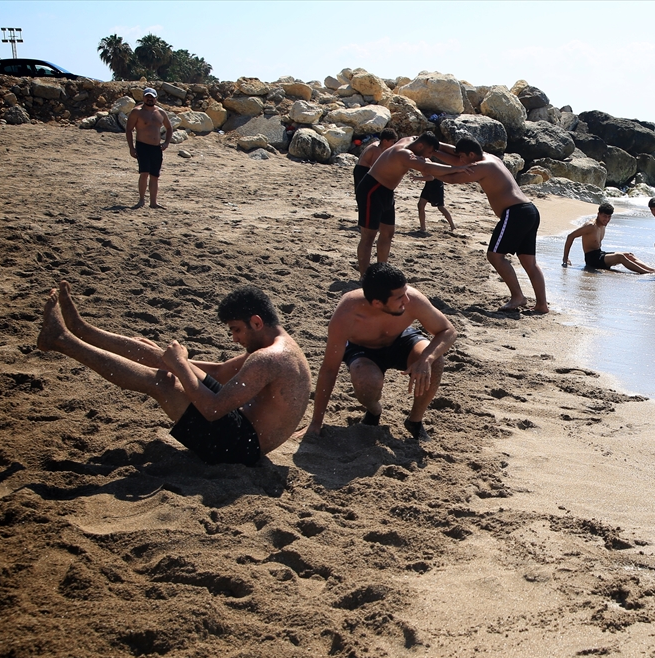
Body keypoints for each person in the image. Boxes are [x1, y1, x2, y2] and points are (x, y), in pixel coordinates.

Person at [36, 281, 311, 466]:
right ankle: (83, 330)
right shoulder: (279, 348)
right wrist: (170, 359)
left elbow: (213, 409)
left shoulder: (268, 359)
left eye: (237, 330)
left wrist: (178, 365)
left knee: (164, 381)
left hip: (239, 449)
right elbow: (220, 371)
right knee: (163, 359)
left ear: (257, 322)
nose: (235, 339)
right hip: (238, 422)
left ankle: (61, 340)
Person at [304, 262, 456, 441]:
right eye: (399, 297)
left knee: (435, 361)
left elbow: (448, 331)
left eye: (405, 291)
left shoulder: (412, 300)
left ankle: (415, 421)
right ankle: (374, 410)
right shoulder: (347, 313)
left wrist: (426, 358)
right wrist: (316, 422)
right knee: (366, 380)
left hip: (401, 340)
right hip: (363, 350)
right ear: (377, 303)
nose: (406, 300)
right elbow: (329, 369)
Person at [433, 138, 548, 313]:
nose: (461, 161)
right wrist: (436, 147)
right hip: (530, 210)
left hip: (515, 212)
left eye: (463, 157)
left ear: (471, 155)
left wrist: (425, 166)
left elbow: (453, 178)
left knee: (495, 256)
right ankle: (542, 305)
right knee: (529, 263)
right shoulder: (490, 158)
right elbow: (456, 159)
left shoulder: (482, 167)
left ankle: (518, 297)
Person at [355, 132, 466, 277]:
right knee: (369, 235)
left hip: (387, 191)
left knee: (388, 233)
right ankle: (364, 275)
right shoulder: (403, 154)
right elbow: (428, 168)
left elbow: (444, 148)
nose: (429, 155)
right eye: (429, 152)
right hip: (372, 189)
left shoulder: (413, 139)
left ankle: (381, 271)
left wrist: (464, 156)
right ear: (420, 146)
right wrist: (455, 169)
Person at [562, 202, 655, 274]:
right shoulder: (591, 226)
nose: (606, 219)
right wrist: (565, 258)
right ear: (598, 214)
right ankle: (647, 273)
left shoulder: (603, 225)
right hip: (592, 259)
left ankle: (654, 270)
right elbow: (571, 236)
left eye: (609, 217)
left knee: (629, 255)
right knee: (620, 257)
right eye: (604, 216)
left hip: (600, 254)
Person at [125, 87, 173, 209]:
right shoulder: (137, 112)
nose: (149, 99)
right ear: (143, 97)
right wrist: (131, 148)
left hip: (156, 148)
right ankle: (141, 200)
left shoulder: (161, 112)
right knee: (144, 173)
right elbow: (129, 129)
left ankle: (153, 202)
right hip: (142, 146)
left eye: (152, 97)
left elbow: (169, 128)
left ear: (156, 99)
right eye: (147, 97)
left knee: (155, 175)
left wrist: (166, 142)